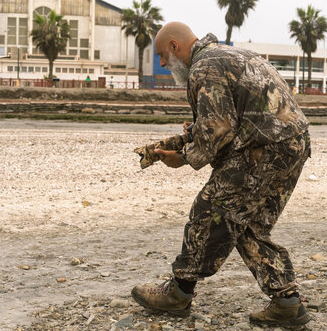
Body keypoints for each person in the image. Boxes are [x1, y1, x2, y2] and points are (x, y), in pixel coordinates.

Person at [131, 22, 311, 327]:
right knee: (247, 224)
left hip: (264, 150)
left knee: (208, 210)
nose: (162, 64)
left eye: (162, 55)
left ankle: (178, 292)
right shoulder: (230, 55)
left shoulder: (203, 68)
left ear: (175, 46)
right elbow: (226, 118)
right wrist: (181, 141)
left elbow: (218, 130)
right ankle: (287, 302)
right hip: (294, 145)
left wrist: (184, 158)